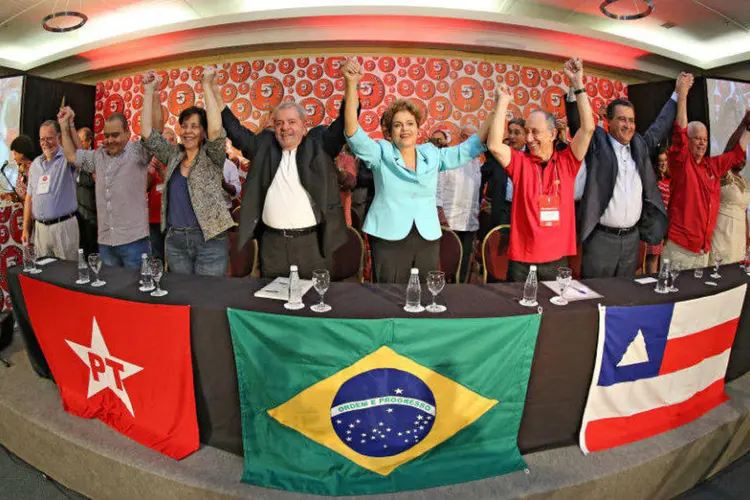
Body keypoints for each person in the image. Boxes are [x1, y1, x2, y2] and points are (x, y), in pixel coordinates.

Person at [342, 58, 491, 283]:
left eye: (410, 123)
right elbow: (352, 131)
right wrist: (351, 84)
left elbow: (468, 149)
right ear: (390, 131)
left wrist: (496, 110)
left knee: (423, 294)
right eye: (398, 124)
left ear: (418, 128)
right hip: (388, 236)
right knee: (389, 294)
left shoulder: (431, 153)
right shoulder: (380, 151)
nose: (405, 129)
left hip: (427, 237)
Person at [217, 70, 349, 280]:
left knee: (314, 305)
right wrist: (213, 89)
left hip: (313, 246)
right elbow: (235, 130)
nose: (285, 128)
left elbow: (343, 124)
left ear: (304, 127)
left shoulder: (319, 146)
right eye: (279, 123)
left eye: (291, 122)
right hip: (273, 247)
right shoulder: (264, 148)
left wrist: (351, 85)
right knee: (273, 307)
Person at [569, 73, 692, 278]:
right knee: (596, 297)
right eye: (621, 119)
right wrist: (575, 85)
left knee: (625, 298)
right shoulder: (598, 143)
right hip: (601, 240)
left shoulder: (640, 146)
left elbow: (661, 125)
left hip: (632, 240)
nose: (628, 125)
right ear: (608, 122)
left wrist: (677, 94)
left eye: (632, 120)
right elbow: (578, 123)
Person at [487, 57, 595, 282]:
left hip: (556, 260)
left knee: (554, 315)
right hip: (522, 262)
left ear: (553, 134)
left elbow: (588, 128)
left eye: (535, 132)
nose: (528, 138)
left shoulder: (567, 162)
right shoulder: (521, 163)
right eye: (527, 131)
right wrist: (503, 102)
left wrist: (578, 84)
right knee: (521, 314)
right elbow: (494, 145)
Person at [141, 69, 235, 276]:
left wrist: (207, 86)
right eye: (184, 126)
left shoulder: (212, 156)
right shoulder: (173, 155)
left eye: (194, 126)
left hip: (210, 240)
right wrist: (149, 92)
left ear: (203, 131)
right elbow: (147, 134)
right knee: (181, 297)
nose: (188, 131)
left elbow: (216, 131)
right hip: (175, 242)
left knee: (206, 297)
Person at [664, 85, 750, 269]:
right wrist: (683, 95)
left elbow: (736, 154)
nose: (702, 143)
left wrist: (748, 127)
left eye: (705, 139)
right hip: (681, 248)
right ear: (688, 141)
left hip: (703, 251)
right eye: (697, 138)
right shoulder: (681, 163)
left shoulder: (711, 166)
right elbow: (680, 130)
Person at [59, 107, 152, 269]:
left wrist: (151, 91)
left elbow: (153, 132)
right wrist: (64, 125)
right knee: (110, 292)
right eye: (106, 136)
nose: (110, 140)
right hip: (106, 243)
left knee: (138, 291)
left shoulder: (138, 152)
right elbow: (71, 155)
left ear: (127, 133)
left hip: (134, 242)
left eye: (115, 135)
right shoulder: (98, 155)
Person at [22, 120, 79, 260]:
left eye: (49, 138)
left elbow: (81, 153)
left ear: (59, 137)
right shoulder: (35, 164)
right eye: (42, 139)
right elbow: (29, 198)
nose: (45, 142)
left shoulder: (67, 158)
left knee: (67, 276)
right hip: (40, 230)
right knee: (44, 274)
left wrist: (68, 126)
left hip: (63, 228)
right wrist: (25, 228)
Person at [437, 126, 482, 282]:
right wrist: (440, 215)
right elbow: (437, 191)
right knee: (446, 265)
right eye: (468, 138)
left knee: (464, 266)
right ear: (462, 138)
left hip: (470, 223)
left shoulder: (477, 162)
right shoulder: (449, 158)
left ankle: (461, 293)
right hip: (449, 222)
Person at [709, 110, 750, 264]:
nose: (742, 160)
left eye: (745, 158)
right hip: (721, 232)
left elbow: (744, 213)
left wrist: (747, 241)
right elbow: (730, 151)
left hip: (739, 236)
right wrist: (744, 124)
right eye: (740, 156)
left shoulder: (745, 182)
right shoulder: (724, 175)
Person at [147, 128, 178, 261]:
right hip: (154, 218)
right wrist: (151, 171)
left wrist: (160, 170)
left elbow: (174, 186)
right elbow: (146, 187)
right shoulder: (155, 160)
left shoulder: (178, 160)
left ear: (174, 141)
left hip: (171, 219)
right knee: (156, 257)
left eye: (166, 141)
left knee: (173, 258)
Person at [644, 148, 671, 274]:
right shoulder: (652, 180)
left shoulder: (670, 181)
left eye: (665, 160)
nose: (663, 163)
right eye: (660, 161)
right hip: (649, 224)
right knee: (645, 259)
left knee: (655, 259)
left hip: (661, 227)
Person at [75, 126, 98, 257]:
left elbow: (92, 181)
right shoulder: (73, 161)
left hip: (91, 216)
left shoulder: (94, 158)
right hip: (76, 215)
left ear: (89, 142)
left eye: (81, 141)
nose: (78, 144)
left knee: (92, 252)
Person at [8, 135, 34, 204]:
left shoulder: (33, 169)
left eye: (15, 154)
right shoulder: (22, 168)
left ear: (22, 153)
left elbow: (33, 196)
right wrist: (9, 196)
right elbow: (20, 191)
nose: (14, 158)